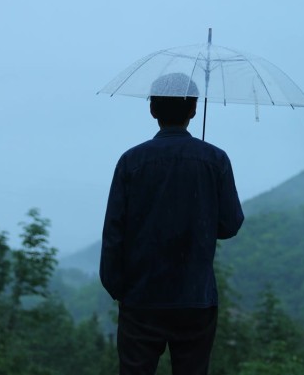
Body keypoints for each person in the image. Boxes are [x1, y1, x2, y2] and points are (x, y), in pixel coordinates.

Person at [100, 73, 244, 375]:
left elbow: (115, 231)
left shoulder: (131, 161)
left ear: (152, 109)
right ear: (193, 110)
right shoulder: (215, 160)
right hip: (195, 299)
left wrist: (118, 288)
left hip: (141, 297)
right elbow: (229, 226)